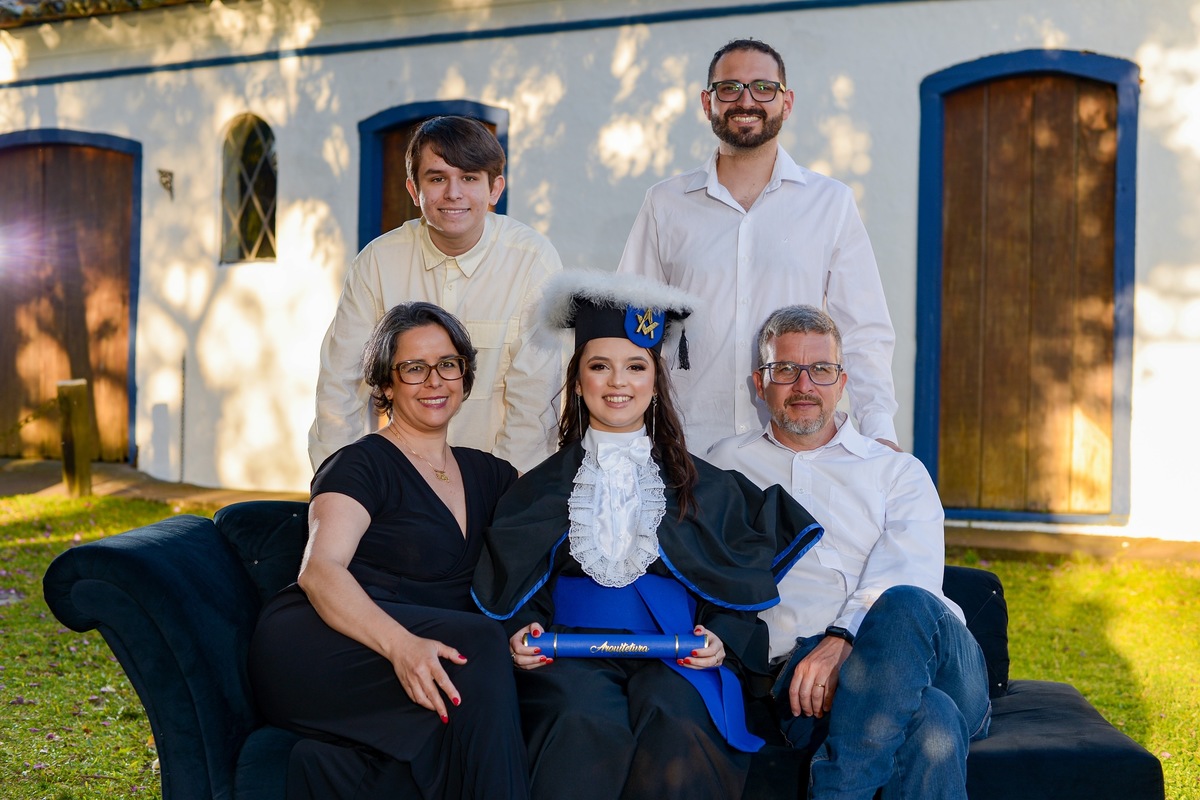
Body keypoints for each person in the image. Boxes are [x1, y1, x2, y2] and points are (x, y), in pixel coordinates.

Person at [472, 271, 823, 800]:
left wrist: (721, 639)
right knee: (579, 719)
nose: (618, 382)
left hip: (677, 655)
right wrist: (522, 633)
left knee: (677, 719)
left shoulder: (709, 487)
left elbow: (735, 582)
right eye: (599, 366)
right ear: (577, 380)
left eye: (636, 367)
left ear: (656, 381)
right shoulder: (535, 490)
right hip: (570, 654)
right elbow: (517, 588)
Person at [706, 305, 990, 800]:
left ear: (842, 382)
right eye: (785, 369)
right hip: (801, 675)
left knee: (903, 600)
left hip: (936, 659)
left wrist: (844, 639)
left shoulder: (896, 471)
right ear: (760, 383)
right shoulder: (724, 465)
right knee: (931, 719)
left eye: (821, 369)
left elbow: (912, 573)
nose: (804, 385)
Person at [251, 302, 529, 800]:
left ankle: (337, 773)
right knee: (479, 645)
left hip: (429, 645)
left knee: (486, 655)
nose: (434, 381)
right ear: (385, 384)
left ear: (465, 375)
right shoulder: (359, 465)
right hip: (325, 643)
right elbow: (320, 570)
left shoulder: (491, 474)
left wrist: (526, 630)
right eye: (414, 368)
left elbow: (538, 546)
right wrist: (401, 646)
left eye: (447, 364)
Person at [617, 38, 898, 455]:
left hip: (796, 448)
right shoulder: (665, 204)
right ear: (707, 102)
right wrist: (624, 435)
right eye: (729, 88)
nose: (746, 101)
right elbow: (629, 327)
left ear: (787, 102)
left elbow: (863, 332)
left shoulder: (831, 203)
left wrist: (878, 431)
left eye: (763, 88)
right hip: (688, 446)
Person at [309, 115, 563, 473]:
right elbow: (340, 387)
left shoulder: (533, 260)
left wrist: (505, 492)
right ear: (414, 190)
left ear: (495, 189)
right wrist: (341, 484)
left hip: (500, 478)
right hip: (404, 481)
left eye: (469, 177)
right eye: (437, 178)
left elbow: (534, 399)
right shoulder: (377, 262)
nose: (453, 193)